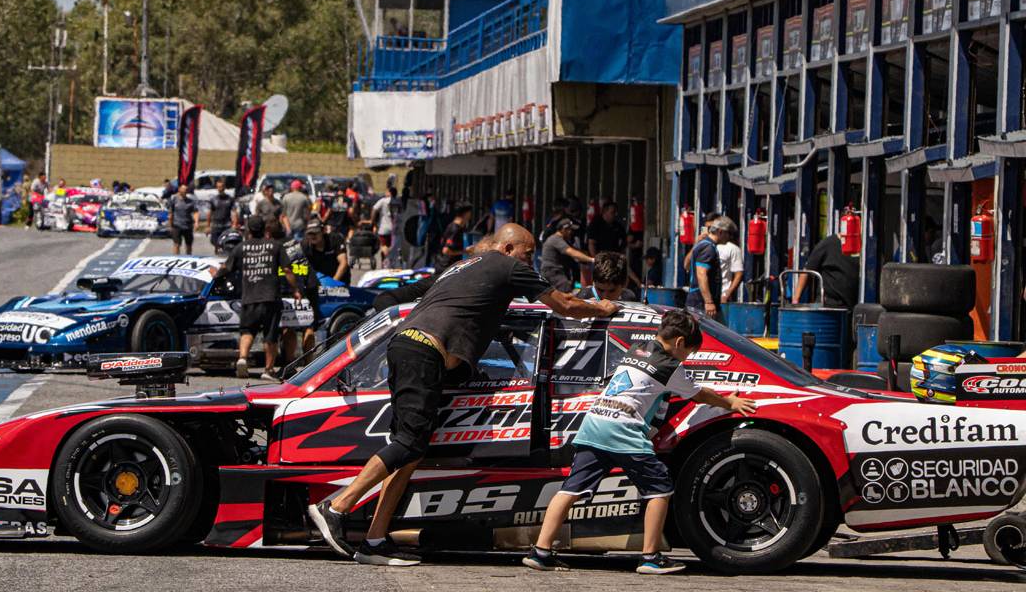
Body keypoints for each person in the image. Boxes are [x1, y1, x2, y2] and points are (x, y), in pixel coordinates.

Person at [307, 223, 620, 567]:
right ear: (508, 249)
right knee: (409, 443)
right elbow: (565, 304)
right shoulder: (507, 266)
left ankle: (375, 541)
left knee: (409, 452)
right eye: (527, 253)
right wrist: (603, 308)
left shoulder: (463, 266)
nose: (530, 261)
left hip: (407, 347)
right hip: (424, 352)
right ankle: (336, 506)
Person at [523, 310, 756, 574]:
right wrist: (730, 402)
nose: (686, 359)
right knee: (660, 489)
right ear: (679, 342)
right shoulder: (669, 366)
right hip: (623, 429)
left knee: (570, 490)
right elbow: (699, 394)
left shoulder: (637, 348)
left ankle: (540, 552)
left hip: (594, 424)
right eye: (688, 353)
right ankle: (650, 557)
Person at [222, 215, 301, 380]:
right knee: (270, 335)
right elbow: (287, 270)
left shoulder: (241, 248)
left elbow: (226, 268)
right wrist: (295, 289)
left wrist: (215, 275)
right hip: (270, 298)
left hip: (249, 297)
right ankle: (268, 369)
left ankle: (243, 358)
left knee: (247, 331)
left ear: (248, 230)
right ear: (264, 229)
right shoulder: (275, 246)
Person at [282, 222, 319, 363]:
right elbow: (313, 283)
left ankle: (289, 362)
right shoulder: (303, 256)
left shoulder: (280, 259)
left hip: (289, 293)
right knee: (309, 326)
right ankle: (309, 363)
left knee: (288, 326)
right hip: (307, 290)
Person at [793, 233, 860, 309]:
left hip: (851, 306)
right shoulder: (827, 244)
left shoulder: (860, 246)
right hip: (828, 306)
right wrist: (795, 300)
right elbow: (807, 272)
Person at [685, 217, 729, 319]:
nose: (729, 237)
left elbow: (687, 265)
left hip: (704, 302)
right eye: (728, 233)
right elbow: (697, 271)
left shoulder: (706, 245)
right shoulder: (707, 247)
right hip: (701, 303)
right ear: (720, 231)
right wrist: (708, 302)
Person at [539, 218, 595, 293]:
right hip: (552, 271)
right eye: (569, 230)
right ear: (563, 229)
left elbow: (577, 251)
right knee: (566, 291)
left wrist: (586, 255)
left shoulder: (563, 240)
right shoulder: (555, 239)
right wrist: (591, 260)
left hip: (555, 272)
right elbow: (572, 252)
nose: (571, 232)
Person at [303, 218, 350, 284]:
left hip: (339, 279)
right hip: (319, 281)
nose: (312, 236)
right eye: (310, 233)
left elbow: (343, 263)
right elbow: (299, 268)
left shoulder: (335, 239)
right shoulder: (305, 245)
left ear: (324, 231)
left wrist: (333, 283)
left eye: (315, 232)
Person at [435, 204, 472, 271]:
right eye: (469, 213)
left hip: (448, 266)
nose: (470, 215)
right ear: (465, 214)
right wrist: (465, 251)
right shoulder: (455, 229)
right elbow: (446, 251)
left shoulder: (454, 226)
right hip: (446, 267)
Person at [716, 218, 744, 303]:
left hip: (721, 295)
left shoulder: (733, 249)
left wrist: (726, 295)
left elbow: (739, 274)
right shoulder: (708, 245)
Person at [208, 178, 238, 254]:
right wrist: (208, 226)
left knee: (227, 245)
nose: (220, 188)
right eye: (218, 187)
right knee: (216, 245)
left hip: (226, 225)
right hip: (216, 225)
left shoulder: (230, 199)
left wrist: (234, 224)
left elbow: (234, 212)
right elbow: (209, 213)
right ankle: (217, 257)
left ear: (224, 187)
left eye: (221, 187)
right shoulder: (213, 199)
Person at [168, 184, 199, 255]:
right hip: (177, 225)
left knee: (188, 245)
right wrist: (170, 225)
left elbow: (195, 212)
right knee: (177, 244)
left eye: (186, 190)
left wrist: (196, 222)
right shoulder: (174, 200)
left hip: (188, 226)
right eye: (183, 189)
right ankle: (176, 258)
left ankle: (188, 257)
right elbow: (171, 213)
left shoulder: (191, 202)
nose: (184, 191)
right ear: (179, 190)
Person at [370, 186, 398, 263]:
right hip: (396, 228)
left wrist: (372, 222)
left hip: (384, 228)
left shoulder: (383, 201)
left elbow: (374, 209)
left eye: (386, 191)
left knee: (384, 246)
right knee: (393, 246)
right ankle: (391, 260)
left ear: (389, 193)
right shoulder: (398, 201)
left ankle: (386, 261)